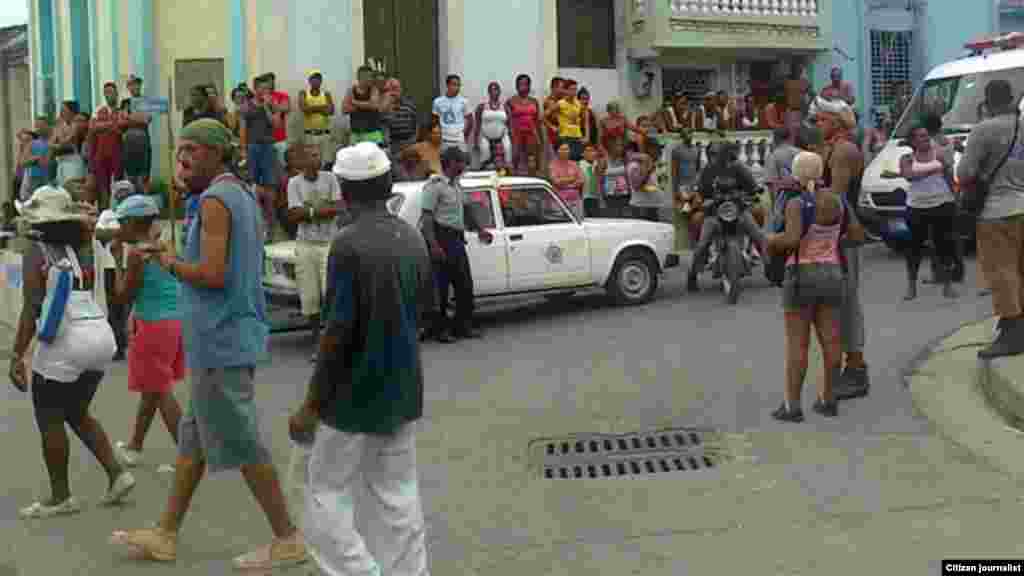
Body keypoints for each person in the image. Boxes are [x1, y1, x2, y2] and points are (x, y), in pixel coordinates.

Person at [110, 119, 308, 569]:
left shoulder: (218, 200)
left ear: (218, 154)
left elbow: (214, 275)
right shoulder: (237, 194)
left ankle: (288, 538)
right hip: (223, 334)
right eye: (180, 150)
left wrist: (168, 261)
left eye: (193, 150)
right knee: (192, 441)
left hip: (221, 336)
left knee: (241, 439)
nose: (183, 159)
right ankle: (165, 534)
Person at [288, 141, 433, 576]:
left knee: (320, 494)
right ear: (388, 186)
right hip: (403, 389)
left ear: (345, 193)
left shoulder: (348, 244)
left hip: (352, 396)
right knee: (398, 496)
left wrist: (312, 405)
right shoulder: (412, 237)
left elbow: (337, 333)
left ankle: (359, 571)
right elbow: (422, 311)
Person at [9, 185, 134, 518]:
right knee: (77, 410)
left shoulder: (36, 250)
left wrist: (17, 355)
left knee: (48, 413)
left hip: (66, 337)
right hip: (99, 333)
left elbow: (32, 306)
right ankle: (117, 473)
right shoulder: (86, 244)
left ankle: (60, 496)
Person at [765, 152, 848, 422]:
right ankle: (828, 399)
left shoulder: (797, 204)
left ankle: (792, 407)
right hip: (833, 273)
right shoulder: (838, 201)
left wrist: (770, 240)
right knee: (832, 342)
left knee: (798, 345)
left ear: (797, 175)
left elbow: (790, 240)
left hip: (801, 275)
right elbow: (856, 234)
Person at [107, 195, 184, 468]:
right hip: (174, 321)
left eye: (121, 223)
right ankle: (135, 445)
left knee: (160, 389)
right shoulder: (161, 246)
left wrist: (116, 260)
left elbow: (122, 296)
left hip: (153, 324)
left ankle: (188, 453)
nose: (118, 229)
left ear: (132, 223)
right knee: (153, 388)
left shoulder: (137, 255)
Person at [957, 79, 1024, 358]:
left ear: (987, 102)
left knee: (1002, 272)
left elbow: (965, 173)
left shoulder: (984, 129)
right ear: (1010, 98)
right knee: (1021, 270)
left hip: (995, 212)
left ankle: (1012, 335)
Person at [813, 98, 871, 399]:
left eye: (821, 120)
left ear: (835, 122)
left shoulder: (844, 150)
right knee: (837, 301)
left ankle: (857, 368)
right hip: (835, 234)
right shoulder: (832, 149)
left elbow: (836, 198)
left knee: (847, 301)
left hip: (844, 233)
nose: (816, 125)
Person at [420, 147, 493, 342]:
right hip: (440, 237)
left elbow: (467, 211)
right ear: (449, 163)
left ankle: (463, 326)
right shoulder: (434, 186)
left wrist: (480, 230)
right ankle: (440, 330)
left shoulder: (457, 185)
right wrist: (434, 246)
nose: (462, 166)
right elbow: (426, 219)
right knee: (441, 288)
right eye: (459, 162)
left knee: (464, 286)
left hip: (456, 239)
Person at [287, 144, 342, 359]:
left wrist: (308, 211)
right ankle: (317, 341)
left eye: (318, 154)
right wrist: (319, 211)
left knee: (329, 292)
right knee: (309, 296)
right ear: (302, 161)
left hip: (328, 242)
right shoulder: (294, 183)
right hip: (305, 244)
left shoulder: (330, 179)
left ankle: (331, 341)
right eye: (311, 155)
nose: (316, 158)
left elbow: (338, 208)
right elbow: (293, 215)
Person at [687, 140, 766, 291]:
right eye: (713, 154)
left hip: (738, 211)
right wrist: (701, 200)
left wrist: (754, 192)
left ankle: (771, 266)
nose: (717, 157)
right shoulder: (708, 170)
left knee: (759, 236)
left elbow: (752, 186)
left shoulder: (739, 167)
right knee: (702, 244)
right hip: (714, 214)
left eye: (719, 153)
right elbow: (701, 193)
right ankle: (693, 273)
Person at [899, 122, 959, 301]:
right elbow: (908, 175)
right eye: (921, 136)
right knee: (914, 248)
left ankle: (947, 286)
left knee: (944, 246)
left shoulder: (939, 154)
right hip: (916, 207)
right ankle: (911, 286)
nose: (926, 139)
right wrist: (935, 168)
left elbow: (948, 175)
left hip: (942, 204)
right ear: (912, 141)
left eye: (927, 135)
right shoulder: (907, 158)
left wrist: (954, 195)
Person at [241, 75, 278, 237]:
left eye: (268, 89)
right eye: (262, 88)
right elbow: (242, 129)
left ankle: (271, 227)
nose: (265, 91)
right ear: (255, 89)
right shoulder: (246, 106)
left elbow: (276, 125)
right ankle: (254, 225)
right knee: (252, 187)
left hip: (268, 147)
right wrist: (243, 150)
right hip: (252, 148)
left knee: (270, 188)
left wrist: (267, 107)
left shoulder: (271, 105)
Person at [90, 82, 124, 208]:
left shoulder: (122, 109)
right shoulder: (99, 110)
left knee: (119, 185)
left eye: (111, 92)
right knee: (102, 187)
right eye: (106, 92)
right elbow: (93, 127)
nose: (109, 95)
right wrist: (111, 125)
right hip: (101, 154)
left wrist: (104, 126)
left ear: (116, 93)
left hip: (117, 153)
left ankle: (119, 212)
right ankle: (103, 214)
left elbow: (121, 127)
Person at [119, 75, 154, 193]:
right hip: (129, 141)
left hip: (143, 140)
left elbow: (146, 120)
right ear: (128, 87)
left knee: (143, 176)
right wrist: (137, 118)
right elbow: (121, 122)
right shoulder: (125, 102)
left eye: (136, 84)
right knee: (130, 177)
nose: (134, 87)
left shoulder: (146, 101)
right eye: (131, 84)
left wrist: (129, 117)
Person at [299, 69, 337, 168]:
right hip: (310, 135)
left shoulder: (326, 94)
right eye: (314, 79)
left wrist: (311, 109)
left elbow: (330, 111)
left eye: (318, 79)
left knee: (326, 162)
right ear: (309, 81)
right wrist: (322, 107)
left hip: (325, 134)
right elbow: (304, 109)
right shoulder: (303, 93)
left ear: (321, 81)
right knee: (310, 162)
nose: (316, 81)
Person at [506, 74, 543, 172]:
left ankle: (533, 179)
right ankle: (515, 180)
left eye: (525, 84)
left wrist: (540, 139)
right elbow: (507, 121)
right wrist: (510, 135)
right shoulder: (511, 101)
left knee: (532, 159)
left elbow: (537, 121)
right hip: (517, 134)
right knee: (515, 158)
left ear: (529, 86)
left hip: (531, 133)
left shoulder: (534, 101)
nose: (523, 86)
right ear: (516, 86)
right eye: (520, 84)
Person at [671, 132, 700, 252]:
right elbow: (674, 170)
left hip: (694, 185)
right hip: (682, 186)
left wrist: (697, 184)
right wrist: (675, 189)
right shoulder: (677, 150)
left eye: (691, 133)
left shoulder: (696, 149)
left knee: (696, 212)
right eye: (687, 133)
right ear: (682, 136)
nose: (689, 136)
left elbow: (697, 167)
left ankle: (695, 241)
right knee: (686, 213)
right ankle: (690, 241)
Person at [628, 127, 664, 222]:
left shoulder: (655, 163)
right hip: (641, 208)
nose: (659, 152)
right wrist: (648, 172)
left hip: (654, 207)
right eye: (656, 149)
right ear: (649, 149)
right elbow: (636, 186)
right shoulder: (634, 165)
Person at [344, 65, 386, 146]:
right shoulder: (351, 90)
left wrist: (354, 102)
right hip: (356, 135)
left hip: (372, 133)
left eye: (371, 76)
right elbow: (345, 109)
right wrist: (366, 105)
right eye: (368, 76)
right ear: (360, 77)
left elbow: (374, 105)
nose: (371, 79)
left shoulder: (374, 89)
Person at [474, 82, 511, 168]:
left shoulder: (505, 107)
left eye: (496, 89)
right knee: (485, 158)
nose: (494, 92)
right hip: (485, 137)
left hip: (502, 137)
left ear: (500, 92)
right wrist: (475, 141)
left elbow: (510, 125)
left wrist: (513, 139)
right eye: (492, 90)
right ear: (488, 92)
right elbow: (477, 125)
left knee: (507, 152)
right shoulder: (481, 107)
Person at [51, 101, 87, 187]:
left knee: (73, 188)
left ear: (71, 112)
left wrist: (58, 142)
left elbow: (65, 141)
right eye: (61, 110)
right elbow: (51, 143)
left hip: (73, 161)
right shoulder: (60, 125)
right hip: (61, 162)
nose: (61, 113)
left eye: (64, 110)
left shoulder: (76, 124)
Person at [433, 74, 472, 152]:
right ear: (447, 85)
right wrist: (438, 135)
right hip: (444, 140)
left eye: (458, 85)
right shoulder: (438, 101)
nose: (457, 87)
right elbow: (435, 120)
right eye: (454, 84)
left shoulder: (464, 101)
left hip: (459, 140)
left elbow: (470, 120)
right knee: (444, 163)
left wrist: (464, 135)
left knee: (461, 162)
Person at [383, 77, 420, 159]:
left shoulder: (410, 105)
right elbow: (383, 128)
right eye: (390, 89)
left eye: (396, 88)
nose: (393, 92)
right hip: (392, 146)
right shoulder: (383, 107)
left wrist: (412, 142)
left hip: (410, 144)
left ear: (401, 89)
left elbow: (417, 125)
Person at [549, 139, 584, 219]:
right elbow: (556, 181)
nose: (565, 151)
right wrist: (572, 179)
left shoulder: (574, 164)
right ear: (556, 151)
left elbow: (581, 180)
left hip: (575, 200)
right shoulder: (552, 165)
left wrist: (564, 182)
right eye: (562, 149)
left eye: (567, 149)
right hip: (559, 201)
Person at [17, 118, 50, 200]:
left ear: (47, 126)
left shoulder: (50, 142)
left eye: (41, 125)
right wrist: (35, 158)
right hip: (33, 178)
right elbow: (22, 162)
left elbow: (46, 162)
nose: (39, 128)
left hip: (47, 178)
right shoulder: (32, 143)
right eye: (37, 126)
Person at [580, 143, 601, 218]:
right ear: (583, 154)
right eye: (588, 151)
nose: (590, 153)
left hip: (595, 198)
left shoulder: (597, 164)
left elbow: (600, 180)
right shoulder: (579, 165)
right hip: (584, 197)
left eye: (592, 151)